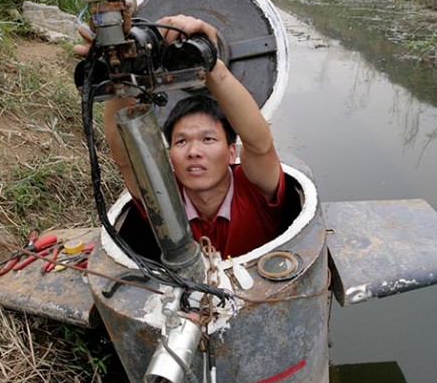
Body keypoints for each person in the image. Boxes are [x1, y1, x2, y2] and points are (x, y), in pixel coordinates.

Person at [78, 14, 288, 258]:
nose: (193, 152)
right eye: (181, 141)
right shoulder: (163, 196)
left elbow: (260, 145)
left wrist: (210, 61)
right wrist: (119, 73)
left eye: (208, 139)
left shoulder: (254, 189)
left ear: (232, 153)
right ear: (170, 158)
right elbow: (127, 157)